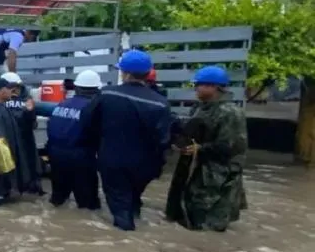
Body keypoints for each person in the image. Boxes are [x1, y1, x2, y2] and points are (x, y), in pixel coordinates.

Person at [80, 50, 172, 231]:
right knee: (134, 197)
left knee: (120, 206)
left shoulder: (106, 94)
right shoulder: (161, 103)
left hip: (114, 161)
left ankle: (126, 237)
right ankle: (135, 216)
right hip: (146, 165)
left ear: (125, 73)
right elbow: (163, 139)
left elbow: (86, 122)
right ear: (148, 73)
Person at [165, 66, 248, 232]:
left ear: (213, 87)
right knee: (188, 213)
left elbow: (228, 147)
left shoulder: (230, 113)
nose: (196, 88)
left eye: (199, 85)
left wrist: (199, 149)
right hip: (197, 170)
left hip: (220, 176)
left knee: (210, 222)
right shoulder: (200, 108)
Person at [47, 70, 102, 210]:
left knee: (58, 200)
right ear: (97, 89)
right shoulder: (94, 107)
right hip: (81, 156)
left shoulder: (62, 104)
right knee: (87, 205)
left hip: (56, 155)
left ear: (76, 88)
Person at [0, 78, 32, 201]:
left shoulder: (0, 108)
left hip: (5, 160)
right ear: (0, 91)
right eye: (8, 88)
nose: (11, 91)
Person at [1, 72, 44, 194]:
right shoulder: (1, 102)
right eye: (13, 87)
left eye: (17, 87)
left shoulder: (26, 100)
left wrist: (29, 113)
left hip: (22, 138)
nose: (15, 90)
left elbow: (31, 122)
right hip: (12, 139)